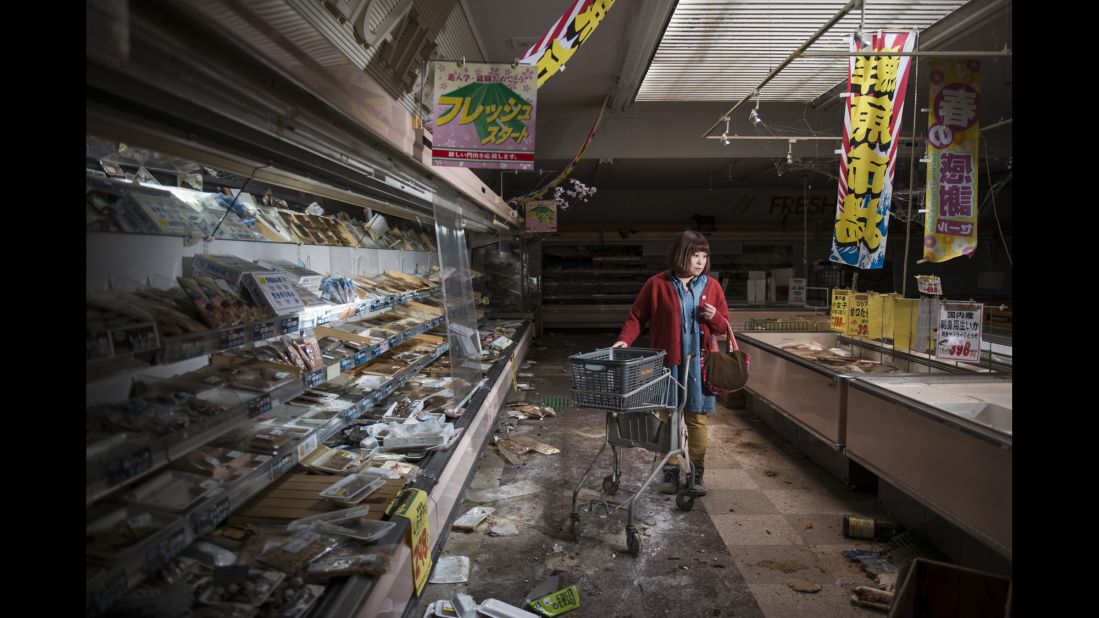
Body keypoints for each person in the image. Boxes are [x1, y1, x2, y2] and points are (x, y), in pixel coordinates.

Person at [612, 230, 731, 496]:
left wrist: (714, 318)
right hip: (669, 364)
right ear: (680, 256)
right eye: (694, 255)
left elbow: (724, 325)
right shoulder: (657, 284)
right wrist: (625, 340)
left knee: (697, 419)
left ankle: (697, 471)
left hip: (700, 366)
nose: (700, 262)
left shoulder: (712, 286)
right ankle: (670, 468)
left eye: (704, 256)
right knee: (668, 418)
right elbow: (637, 315)